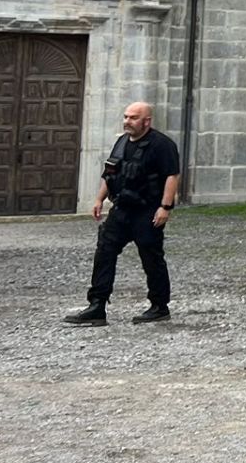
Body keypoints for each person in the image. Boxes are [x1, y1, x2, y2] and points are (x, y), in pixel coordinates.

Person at [64, 101, 181, 326]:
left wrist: (165, 208)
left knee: (151, 257)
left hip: (148, 211)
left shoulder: (162, 145)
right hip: (121, 209)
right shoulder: (121, 142)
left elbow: (171, 176)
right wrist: (99, 199)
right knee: (104, 252)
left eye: (133, 118)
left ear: (147, 121)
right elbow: (111, 173)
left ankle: (159, 306)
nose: (127, 121)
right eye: (126, 117)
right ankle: (97, 305)